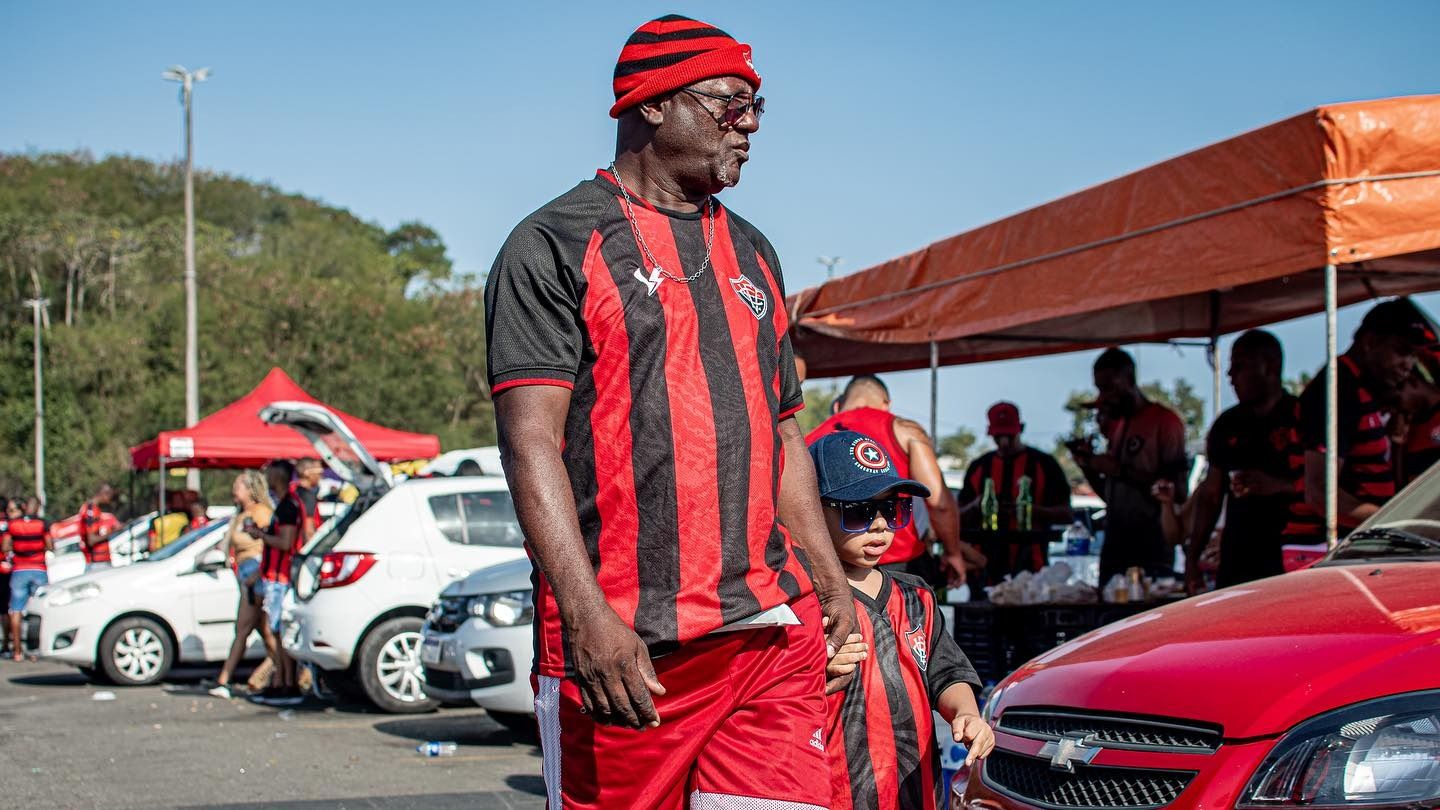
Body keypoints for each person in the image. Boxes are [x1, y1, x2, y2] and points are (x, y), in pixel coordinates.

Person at [484, 15, 856, 809]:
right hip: (628, 646)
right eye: (730, 103)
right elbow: (530, 445)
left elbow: (783, 427)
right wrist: (586, 617)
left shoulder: (755, 250)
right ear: (653, 104)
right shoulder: (552, 243)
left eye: (758, 107)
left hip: (764, 637)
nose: (750, 125)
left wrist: (828, 579)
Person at [808, 431, 993, 808]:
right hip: (836, 793)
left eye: (893, 510)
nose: (879, 525)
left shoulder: (917, 596)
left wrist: (968, 714)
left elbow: (948, 674)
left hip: (918, 792)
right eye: (859, 511)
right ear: (810, 510)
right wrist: (812, 668)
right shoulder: (802, 601)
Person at [807, 375, 974, 587]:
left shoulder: (811, 441)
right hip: (901, 566)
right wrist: (953, 553)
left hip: (832, 570)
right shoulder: (905, 430)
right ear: (887, 403)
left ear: (838, 405)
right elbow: (939, 503)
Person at [1181, 331, 1311, 591]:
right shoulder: (1227, 425)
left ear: (1270, 366)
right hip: (1238, 557)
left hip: (1292, 553)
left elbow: (1327, 483)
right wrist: (1192, 559)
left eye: (1240, 365)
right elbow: (1211, 495)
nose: (1231, 376)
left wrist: (1279, 485)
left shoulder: (1300, 415)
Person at [1292, 298, 1432, 537]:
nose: (1408, 365)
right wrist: (1398, 524)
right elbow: (1320, 493)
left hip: (1356, 540)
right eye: (1402, 352)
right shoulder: (1338, 389)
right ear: (1371, 343)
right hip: (1321, 545)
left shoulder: (1363, 388)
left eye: (1414, 356)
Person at [1069, 348, 1188, 584]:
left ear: (1129, 380)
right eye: (1100, 389)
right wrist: (1089, 466)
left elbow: (1178, 491)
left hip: (1152, 543)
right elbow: (1111, 494)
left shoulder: (1164, 422)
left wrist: (1119, 470)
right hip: (1116, 542)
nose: (1104, 397)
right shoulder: (1119, 426)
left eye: (1109, 388)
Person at [958, 402, 1072, 586]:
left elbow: (1066, 514)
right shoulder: (979, 467)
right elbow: (956, 517)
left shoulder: (1044, 464)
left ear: (1021, 429)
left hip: (1033, 569)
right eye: (998, 436)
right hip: (983, 570)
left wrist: (1031, 511)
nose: (1004, 442)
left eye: (1009, 436)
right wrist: (977, 506)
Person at [244, 461, 305, 706]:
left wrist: (260, 535)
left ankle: (288, 683)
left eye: (270, 473)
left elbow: (286, 543)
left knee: (278, 632)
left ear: (278, 476)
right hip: (274, 575)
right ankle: (281, 680)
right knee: (276, 632)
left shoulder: (289, 506)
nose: (266, 477)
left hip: (281, 577)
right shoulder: (284, 505)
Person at [209, 471, 273, 699]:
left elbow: (270, 544)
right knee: (264, 632)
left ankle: (224, 680)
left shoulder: (261, 513)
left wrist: (258, 573)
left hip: (256, 578)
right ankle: (287, 674)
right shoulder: (241, 515)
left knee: (245, 629)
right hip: (246, 578)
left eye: (238, 486)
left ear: (250, 489)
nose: (234, 489)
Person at [4, 497, 52, 661]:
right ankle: (35, 650)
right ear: (38, 508)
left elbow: (5, 546)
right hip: (38, 568)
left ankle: (17, 651)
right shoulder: (42, 524)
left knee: (15, 610)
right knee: (39, 609)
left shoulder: (13, 525)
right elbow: (50, 545)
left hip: (19, 570)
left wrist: (18, 548)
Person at [78, 483, 116, 573]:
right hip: (97, 563)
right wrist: (113, 532)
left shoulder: (95, 509)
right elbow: (91, 540)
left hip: (99, 562)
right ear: (104, 494)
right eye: (110, 495)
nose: (110, 499)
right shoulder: (90, 510)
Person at [0, 499, 17, 657]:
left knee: (4, 610)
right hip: (11, 569)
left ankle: (7, 644)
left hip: (5, 569)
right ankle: (11, 644)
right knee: (12, 609)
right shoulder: (11, 523)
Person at [294, 458, 324, 541]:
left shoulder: (293, 490)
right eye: (319, 472)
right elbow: (308, 530)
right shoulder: (307, 495)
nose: (321, 476)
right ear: (307, 473)